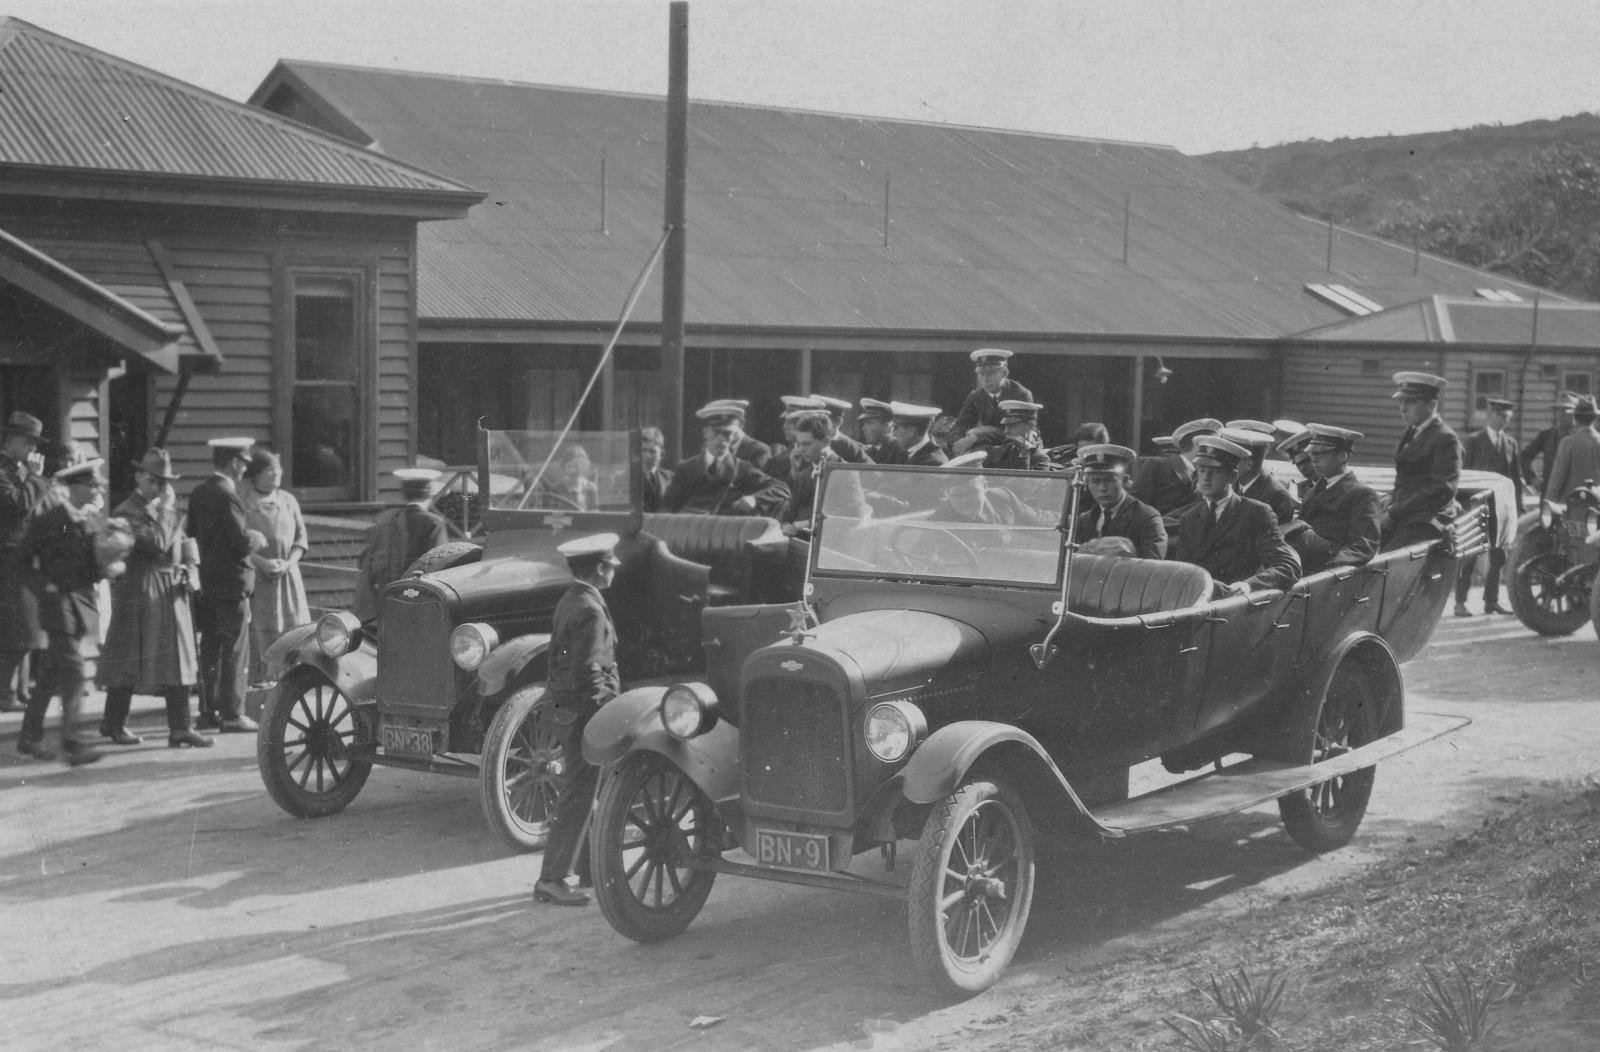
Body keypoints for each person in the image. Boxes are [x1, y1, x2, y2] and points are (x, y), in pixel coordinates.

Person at [96, 448, 210, 748]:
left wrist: (190, 567)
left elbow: (185, 542)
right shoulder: (126, 512)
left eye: (164, 481)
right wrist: (168, 510)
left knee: (179, 655)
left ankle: (180, 727)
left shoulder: (165, 510)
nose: (160, 487)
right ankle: (114, 722)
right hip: (141, 589)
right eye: (154, 480)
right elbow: (157, 543)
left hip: (172, 587)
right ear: (138, 477)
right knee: (129, 656)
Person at [534, 531, 623, 907]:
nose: (615, 572)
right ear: (600, 570)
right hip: (585, 713)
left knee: (586, 792)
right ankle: (551, 880)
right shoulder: (589, 608)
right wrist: (611, 710)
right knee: (578, 795)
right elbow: (588, 672)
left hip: (564, 709)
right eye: (611, 566)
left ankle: (587, 870)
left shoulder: (570, 599)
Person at [17, 456, 115, 765]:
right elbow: (21, 560)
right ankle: (72, 743)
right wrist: (43, 585)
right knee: (73, 671)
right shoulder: (49, 521)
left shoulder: (93, 522)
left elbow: (94, 568)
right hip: (57, 605)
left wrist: (110, 567)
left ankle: (28, 738)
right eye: (92, 485)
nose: (98, 489)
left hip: (81, 606)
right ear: (75, 488)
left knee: (49, 675)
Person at [187, 436, 267, 733]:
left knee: (210, 646)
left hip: (208, 581)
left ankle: (208, 713)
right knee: (234, 648)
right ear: (234, 463)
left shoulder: (199, 492)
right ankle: (233, 713)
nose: (245, 470)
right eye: (244, 464)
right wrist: (255, 538)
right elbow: (238, 540)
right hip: (233, 583)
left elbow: (191, 531)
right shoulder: (227, 495)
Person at [1168, 435, 1300, 599]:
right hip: (1198, 601)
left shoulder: (1257, 513)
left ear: (1232, 476)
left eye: (1215, 471)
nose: (1206, 478)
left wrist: (1249, 584)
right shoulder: (1189, 518)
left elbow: (1288, 567)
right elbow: (1184, 570)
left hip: (1236, 606)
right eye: (1202, 470)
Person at [241, 449, 310, 682]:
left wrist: (289, 563)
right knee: (263, 628)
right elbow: (238, 544)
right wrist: (262, 562)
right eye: (270, 469)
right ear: (256, 474)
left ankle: (291, 679)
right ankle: (261, 681)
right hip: (259, 577)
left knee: (292, 628)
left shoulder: (288, 500)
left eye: (278, 469)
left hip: (288, 577)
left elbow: (301, 538)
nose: (276, 474)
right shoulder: (244, 503)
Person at [352, 467, 453, 626]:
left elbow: (369, 562)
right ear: (429, 493)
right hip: (422, 603)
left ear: (404, 493)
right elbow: (440, 565)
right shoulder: (434, 523)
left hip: (388, 600)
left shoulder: (388, 520)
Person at [1456, 398, 1524, 616]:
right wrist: (1462, 506)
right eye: (1498, 415)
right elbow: (1462, 476)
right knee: (1469, 555)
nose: (1502, 420)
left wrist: (1518, 507)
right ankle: (1459, 602)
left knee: (1498, 557)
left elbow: (1515, 479)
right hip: (1475, 507)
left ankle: (1491, 602)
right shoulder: (1473, 441)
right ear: (1489, 415)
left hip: (1500, 509)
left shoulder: (1511, 444)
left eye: (1506, 417)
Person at [1284, 425, 1383, 574]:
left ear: (1342, 456)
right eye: (1312, 454)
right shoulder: (1315, 489)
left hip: (1327, 568)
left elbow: (1364, 546)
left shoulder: (1362, 494)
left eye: (1321, 454)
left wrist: (1330, 569)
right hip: (1300, 561)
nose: (1314, 460)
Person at [0, 410, 49, 713]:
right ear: (14, 439)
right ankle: (6, 694)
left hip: (22, 559)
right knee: (18, 630)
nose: (33, 450)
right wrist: (34, 478)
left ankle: (16, 690)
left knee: (24, 630)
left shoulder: (17, 470)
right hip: (7, 559)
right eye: (29, 443)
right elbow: (17, 505)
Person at [661, 403, 790, 516]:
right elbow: (667, 507)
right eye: (716, 432)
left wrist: (754, 499)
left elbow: (782, 488)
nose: (721, 438)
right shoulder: (685, 468)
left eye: (727, 433)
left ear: (734, 435)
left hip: (724, 535)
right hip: (692, 534)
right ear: (705, 432)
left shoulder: (743, 468)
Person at [1382, 372, 1462, 551]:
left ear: (1431, 405)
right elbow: (1409, 477)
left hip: (1429, 519)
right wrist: (1391, 496)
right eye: (1401, 402)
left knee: (1386, 562)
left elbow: (1441, 490)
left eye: (1410, 402)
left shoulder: (1445, 438)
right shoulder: (1414, 431)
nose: (1402, 408)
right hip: (1408, 513)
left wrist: (1394, 513)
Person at [1072, 444, 1166, 558]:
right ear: (1087, 484)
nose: (1102, 488)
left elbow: (1154, 564)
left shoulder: (1147, 517)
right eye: (1096, 481)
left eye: (1109, 481)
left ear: (1125, 481)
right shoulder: (1084, 520)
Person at [1132, 418, 1220, 519]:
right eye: (1214, 446)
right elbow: (1135, 507)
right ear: (1198, 445)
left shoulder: (1206, 475)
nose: (1217, 451)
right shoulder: (1158, 466)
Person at [952, 348, 1033, 443]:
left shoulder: (1020, 395)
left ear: (1004, 373)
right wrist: (957, 443)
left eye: (991, 373)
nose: (985, 379)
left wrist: (981, 434)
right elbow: (961, 426)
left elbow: (1020, 433)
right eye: (981, 374)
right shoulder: (976, 397)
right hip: (990, 446)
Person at [781, 412, 844, 535]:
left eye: (807, 444)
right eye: (799, 444)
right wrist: (786, 525)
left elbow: (851, 514)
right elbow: (789, 515)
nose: (801, 449)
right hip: (801, 542)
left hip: (829, 542)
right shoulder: (802, 475)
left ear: (826, 442)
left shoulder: (844, 471)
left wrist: (809, 523)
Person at [1223, 422, 1296, 524]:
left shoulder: (1277, 497)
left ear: (1249, 464)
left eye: (1232, 460)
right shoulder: (1230, 485)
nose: (1225, 465)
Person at [1544, 395, 1600, 510]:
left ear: (1575, 418)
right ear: (1595, 418)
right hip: (1597, 506)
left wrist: (1549, 504)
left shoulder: (1567, 442)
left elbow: (1557, 478)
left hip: (1570, 507)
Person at [1521, 392, 1578, 498]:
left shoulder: (1580, 438)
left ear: (1575, 415)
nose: (1561, 416)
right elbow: (1524, 456)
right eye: (1558, 411)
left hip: (1574, 496)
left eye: (1566, 412)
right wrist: (1533, 479)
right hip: (1549, 495)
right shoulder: (1546, 435)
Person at [699, 399, 771, 470]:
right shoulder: (708, 446)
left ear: (741, 424)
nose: (722, 433)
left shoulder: (759, 450)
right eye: (716, 429)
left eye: (728, 426)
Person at [983, 401, 1053, 471]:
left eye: (1013, 426)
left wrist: (1025, 453)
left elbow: (1027, 481)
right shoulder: (995, 453)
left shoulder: (1040, 458)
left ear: (1030, 426)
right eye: (1005, 426)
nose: (1006, 431)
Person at [808, 394, 874, 463]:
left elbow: (872, 471)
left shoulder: (850, 447)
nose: (815, 425)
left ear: (837, 422)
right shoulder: (806, 441)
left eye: (822, 421)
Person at [534, 445, 600, 512]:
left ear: (585, 466)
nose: (574, 470)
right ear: (564, 466)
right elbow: (553, 515)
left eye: (578, 465)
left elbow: (594, 512)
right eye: (570, 466)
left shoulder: (591, 488)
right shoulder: (556, 489)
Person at [640, 427, 672, 513]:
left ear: (661, 454)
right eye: (643, 450)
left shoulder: (671, 478)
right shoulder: (625, 478)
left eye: (652, 451)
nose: (647, 456)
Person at [858, 398, 901, 464]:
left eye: (870, 423)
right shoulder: (868, 452)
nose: (863, 428)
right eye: (864, 423)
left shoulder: (898, 450)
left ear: (886, 426)